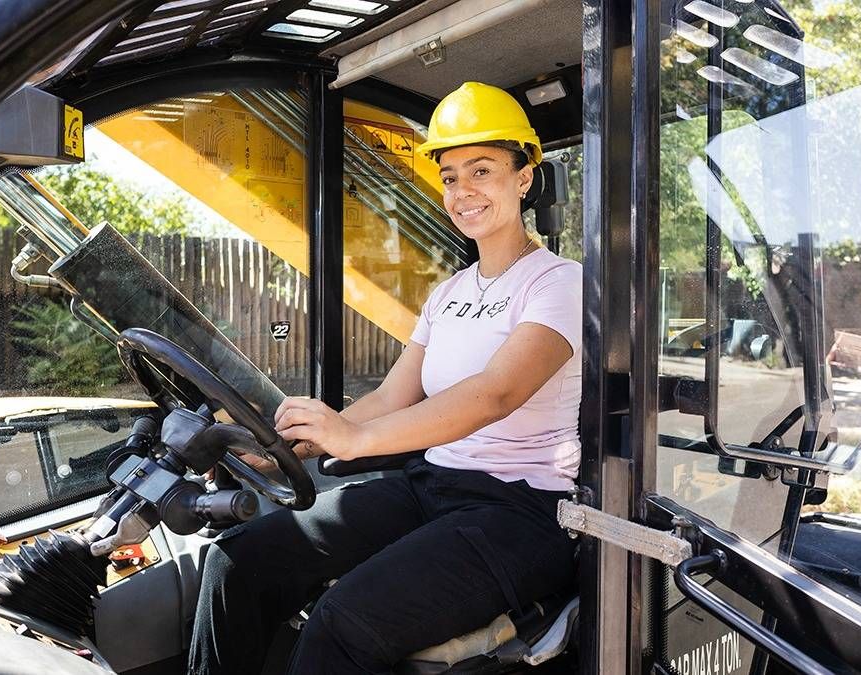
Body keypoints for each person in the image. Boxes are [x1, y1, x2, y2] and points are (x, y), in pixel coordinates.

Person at [188, 81, 582, 674]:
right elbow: (395, 394)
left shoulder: (559, 282)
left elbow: (498, 393)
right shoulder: (448, 293)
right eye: (450, 177)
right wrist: (298, 439)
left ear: (524, 177)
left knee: (344, 620)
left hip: (518, 513)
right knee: (237, 563)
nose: (462, 191)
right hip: (432, 485)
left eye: (482, 171)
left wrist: (357, 441)